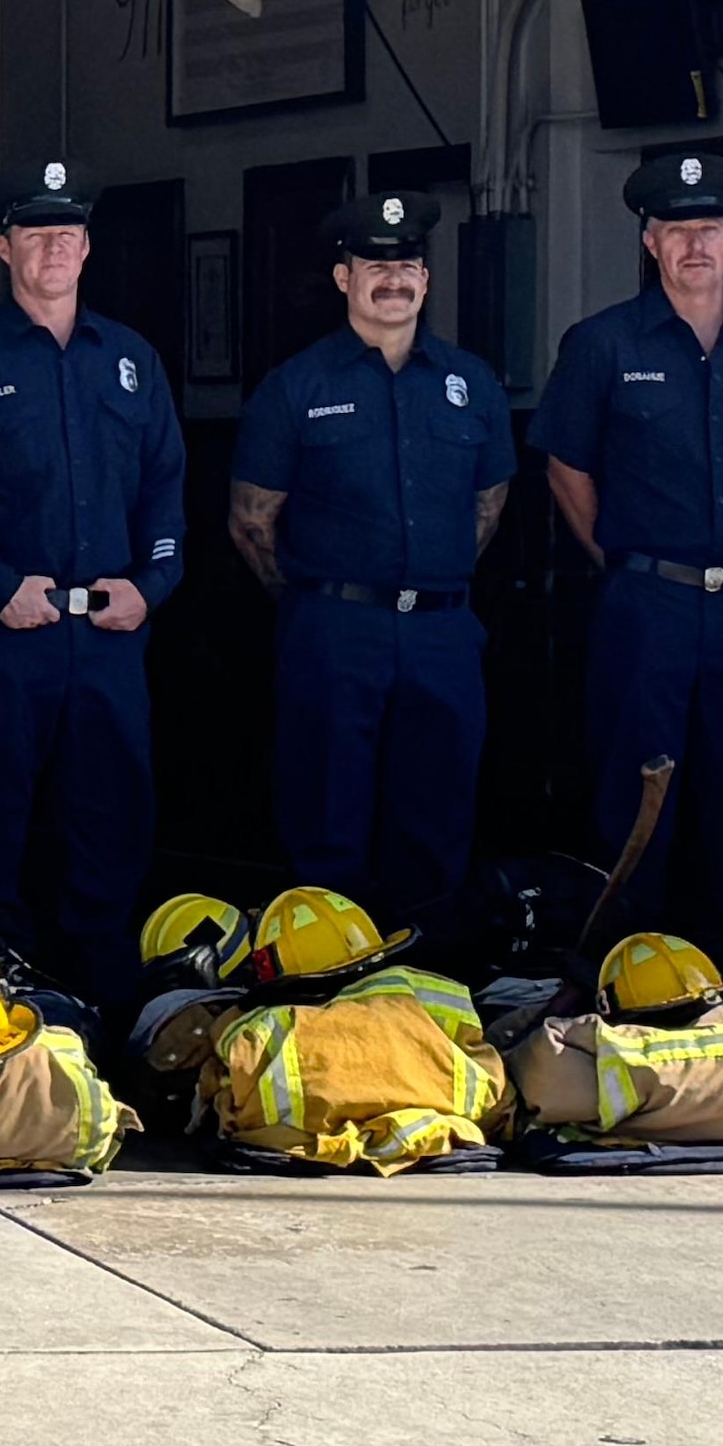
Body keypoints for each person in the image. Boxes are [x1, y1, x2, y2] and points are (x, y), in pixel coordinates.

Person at [0, 158, 185, 1012]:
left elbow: (166, 482)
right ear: (4, 248)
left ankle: (104, 1010)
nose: (54, 247)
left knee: (110, 819)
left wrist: (154, 581)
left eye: (67, 233)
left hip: (106, 637)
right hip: (3, 636)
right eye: (35, 232)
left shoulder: (130, 360)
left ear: (88, 247)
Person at [536, 142, 723, 957]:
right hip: (645, 601)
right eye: (676, 228)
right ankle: (630, 964)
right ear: (649, 242)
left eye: (713, 228)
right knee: (637, 787)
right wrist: (627, 561)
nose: (696, 244)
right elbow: (566, 467)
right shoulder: (602, 344)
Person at [229, 186, 514, 925]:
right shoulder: (296, 387)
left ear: (425, 276)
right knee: (328, 821)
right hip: (333, 628)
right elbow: (252, 521)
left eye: (409, 264)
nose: (394, 278)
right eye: (374, 264)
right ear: (343, 278)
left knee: (437, 820)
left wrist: (425, 586)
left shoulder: (471, 385)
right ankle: (325, 988)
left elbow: (489, 505)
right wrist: (318, 600)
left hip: (441, 634)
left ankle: (427, 990)